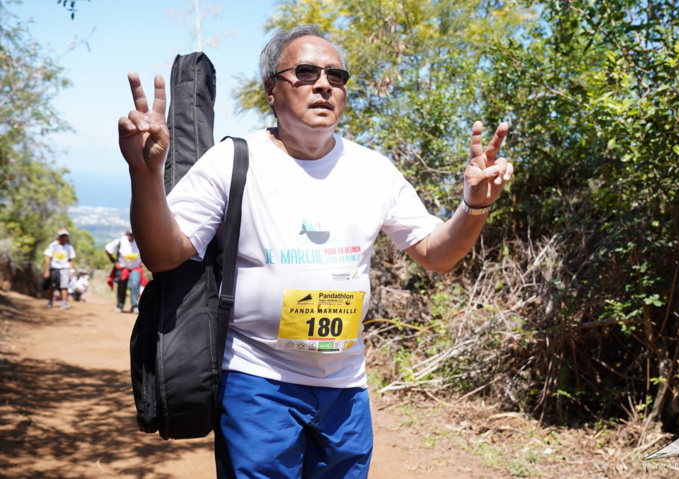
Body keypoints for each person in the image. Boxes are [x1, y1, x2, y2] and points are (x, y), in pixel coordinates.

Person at [118, 25, 513, 478]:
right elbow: (164, 254)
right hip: (256, 380)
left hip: (346, 388)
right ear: (271, 89)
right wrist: (144, 173)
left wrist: (474, 206)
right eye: (306, 72)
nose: (324, 84)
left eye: (336, 76)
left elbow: (437, 254)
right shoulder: (234, 160)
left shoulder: (373, 170)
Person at [105, 229, 143, 313]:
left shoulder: (139, 241)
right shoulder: (120, 241)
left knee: (135, 285)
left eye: (134, 234)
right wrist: (114, 261)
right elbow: (107, 249)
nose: (132, 236)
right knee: (121, 287)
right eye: (130, 234)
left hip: (135, 268)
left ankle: (134, 306)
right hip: (122, 268)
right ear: (127, 234)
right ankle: (120, 305)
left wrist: (143, 261)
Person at [43, 228, 76, 310]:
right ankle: (50, 301)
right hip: (54, 268)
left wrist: (71, 270)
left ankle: (64, 302)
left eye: (65, 236)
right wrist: (47, 270)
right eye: (62, 235)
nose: (64, 237)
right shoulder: (53, 245)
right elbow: (48, 258)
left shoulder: (69, 247)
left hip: (65, 268)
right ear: (59, 236)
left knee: (64, 286)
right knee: (52, 286)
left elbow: (70, 259)